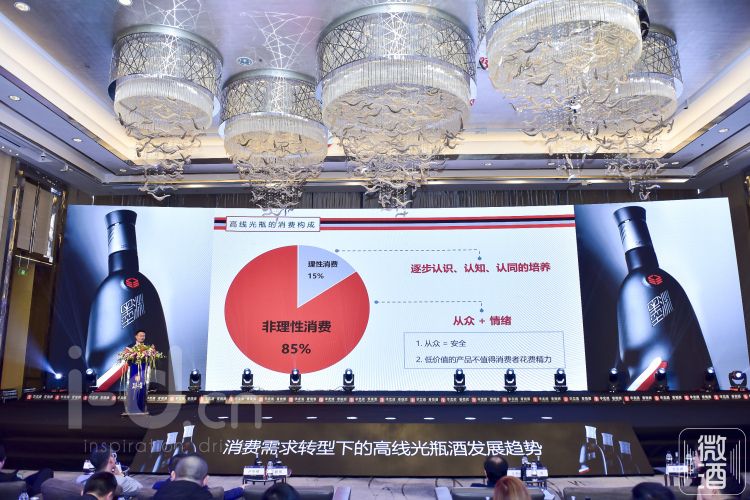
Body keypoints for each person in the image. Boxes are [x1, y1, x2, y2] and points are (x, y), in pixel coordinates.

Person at [153, 453, 243, 500]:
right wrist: (241, 489)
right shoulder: (203, 493)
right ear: (205, 480)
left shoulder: (158, 489)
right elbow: (222, 496)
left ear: (172, 474)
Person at [76, 447, 142, 498]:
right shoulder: (119, 481)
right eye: (112, 456)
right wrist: (121, 475)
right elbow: (139, 488)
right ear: (111, 460)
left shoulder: (81, 479)